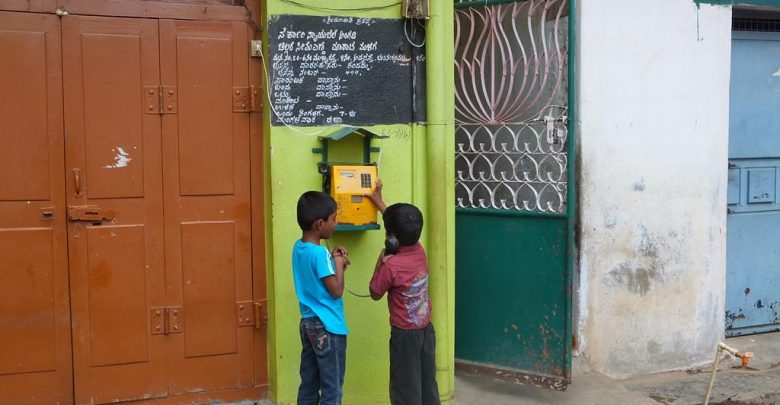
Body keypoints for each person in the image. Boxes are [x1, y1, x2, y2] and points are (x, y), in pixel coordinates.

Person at [366, 181, 441, 405]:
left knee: (404, 389)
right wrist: (379, 201)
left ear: (392, 239)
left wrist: (380, 262)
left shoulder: (391, 266)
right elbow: (399, 226)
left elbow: (374, 292)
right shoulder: (419, 250)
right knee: (427, 385)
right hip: (426, 330)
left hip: (404, 336)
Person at [293, 191, 350, 405]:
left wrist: (332, 257)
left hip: (308, 324)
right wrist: (339, 264)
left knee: (308, 383)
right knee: (332, 387)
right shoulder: (319, 255)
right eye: (333, 219)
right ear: (319, 224)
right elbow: (336, 290)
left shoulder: (299, 248)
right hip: (328, 327)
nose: (335, 224)